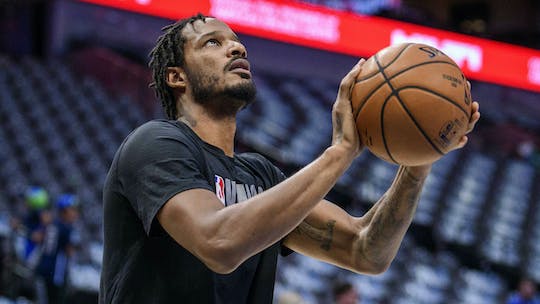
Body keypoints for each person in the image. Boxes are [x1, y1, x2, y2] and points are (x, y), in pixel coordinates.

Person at [99, 13, 480, 304]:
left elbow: (365, 251)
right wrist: (340, 152)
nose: (236, 48)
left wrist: (417, 165)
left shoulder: (261, 176)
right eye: (212, 43)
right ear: (177, 77)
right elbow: (219, 242)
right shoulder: (155, 144)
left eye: (236, 43)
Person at [35, 193, 80, 304]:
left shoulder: (53, 224)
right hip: (55, 272)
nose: (75, 213)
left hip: (42, 268)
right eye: (72, 210)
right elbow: (70, 252)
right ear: (64, 211)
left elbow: (37, 238)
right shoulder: (67, 228)